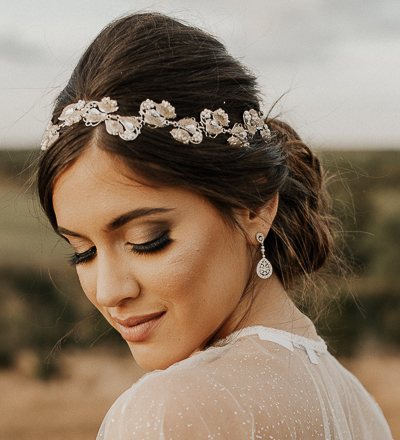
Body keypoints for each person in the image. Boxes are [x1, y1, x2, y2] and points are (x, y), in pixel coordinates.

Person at [37, 12, 393, 440]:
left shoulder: (171, 410)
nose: (110, 292)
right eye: (83, 252)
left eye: (147, 241)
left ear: (255, 204)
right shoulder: (360, 408)